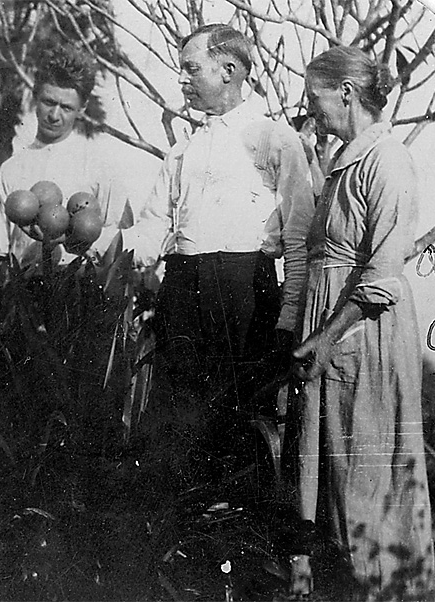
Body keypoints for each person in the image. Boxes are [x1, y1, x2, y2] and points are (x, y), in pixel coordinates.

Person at [289, 46, 435, 600]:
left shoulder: (387, 160)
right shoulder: (341, 160)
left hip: (364, 338)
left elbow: (382, 274)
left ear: (346, 93)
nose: (311, 110)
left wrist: (328, 336)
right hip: (332, 336)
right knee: (333, 482)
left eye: (315, 98)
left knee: (368, 486)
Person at [124, 24, 315, 437]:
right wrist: (103, 242)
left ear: (228, 70)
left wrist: (289, 316)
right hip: (181, 291)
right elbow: (152, 230)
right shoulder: (182, 151)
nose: (181, 79)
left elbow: (299, 239)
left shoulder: (275, 139)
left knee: (238, 423)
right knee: (180, 422)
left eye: (191, 68)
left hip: (244, 295)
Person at [0, 46, 130, 261]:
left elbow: (116, 241)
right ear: (35, 97)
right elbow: (1, 248)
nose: (54, 115)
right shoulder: (11, 168)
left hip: (79, 286)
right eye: (48, 102)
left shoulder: (98, 166)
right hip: (21, 287)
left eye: (66, 107)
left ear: (82, 107)